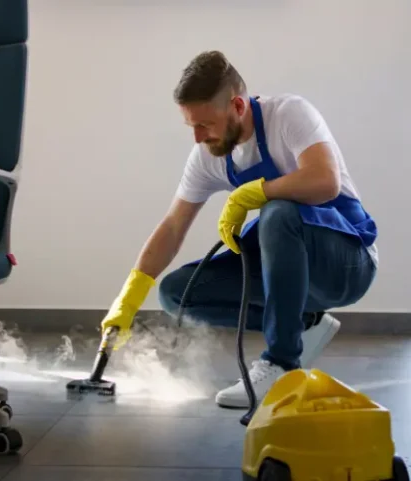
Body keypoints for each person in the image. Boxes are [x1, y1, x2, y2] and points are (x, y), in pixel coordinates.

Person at [98, 50, 377, 408]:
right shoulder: (208, 156)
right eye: (192, 126)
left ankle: (282, 362)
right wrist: (129, 297)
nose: (198, 137)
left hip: (347, 264)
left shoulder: (288, 115)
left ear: (238, 107)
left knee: (277, 213)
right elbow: (172, 226)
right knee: (176, 293)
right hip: (294, 271)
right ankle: (303, 324)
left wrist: (253, 192)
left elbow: (325, 181)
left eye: (206, 124)